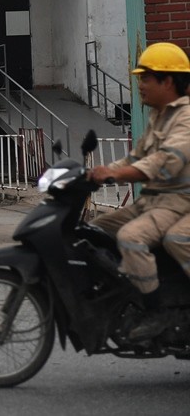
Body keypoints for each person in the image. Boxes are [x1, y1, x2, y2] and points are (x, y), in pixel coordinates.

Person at [89, 42, 190, 340]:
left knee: (132, 238)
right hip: (153, 202)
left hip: (177, 202)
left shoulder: (185, 117)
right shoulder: (161, 115)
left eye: (145, 78)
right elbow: (137, 159)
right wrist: (99, 173)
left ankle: (155, 311)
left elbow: (166, 162)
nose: (140, 84)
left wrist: (117, 173)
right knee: (93, 232)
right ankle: (125, 295)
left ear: (167, 81)